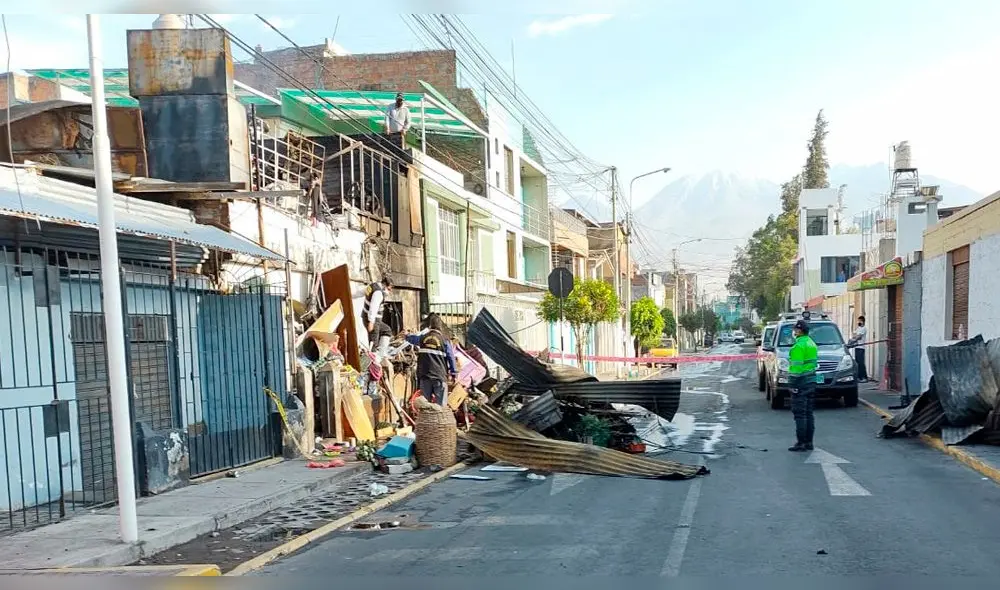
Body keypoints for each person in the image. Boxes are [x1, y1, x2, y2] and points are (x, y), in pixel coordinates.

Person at [405, 313, 457, 407]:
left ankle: (427, 421)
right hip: (439, 376)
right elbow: (451, 358)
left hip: (425, 376)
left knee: (425, 406)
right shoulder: (444, 341)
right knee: (440, 407)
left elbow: (413, 339)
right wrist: (454, 374)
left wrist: (406, 336)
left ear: (429, 326)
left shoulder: (423, 338)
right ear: (440, 327)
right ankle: (439, 421)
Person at [788, 319, 819, 452]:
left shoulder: (798, 346)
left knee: (800, 414)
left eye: (795, 329)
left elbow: (796, 368)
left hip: (800, 383)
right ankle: (809, 442)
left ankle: (801, 443)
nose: (794, 332)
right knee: (809, 413)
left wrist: (792, 384)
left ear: (799, 330)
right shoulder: (812, 343)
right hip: (811, 381)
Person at [362, 276, 393, 355]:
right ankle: (373, 361)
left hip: (372, 319)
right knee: (373, 343)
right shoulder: (378, 293)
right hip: (373, 320)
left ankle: (381, 354)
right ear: (384, 285)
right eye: (389, 289)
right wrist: (371, 322)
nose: (389, 291)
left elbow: (361, 292)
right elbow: (373, 307)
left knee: (387, 330)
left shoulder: (373, 286)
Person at [848, 315, 869, 382]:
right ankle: (859, 377)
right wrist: (854, 338)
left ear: (863, 321)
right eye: (858, 321)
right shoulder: (858, 328)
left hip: (861, 347)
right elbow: (854, 335)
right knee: (857, 363)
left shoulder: (864, 328)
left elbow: (858, 337)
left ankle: (864, 377)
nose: (858, 322)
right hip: (857, 347)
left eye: (860, 321)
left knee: (861, 363)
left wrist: (854, 339)